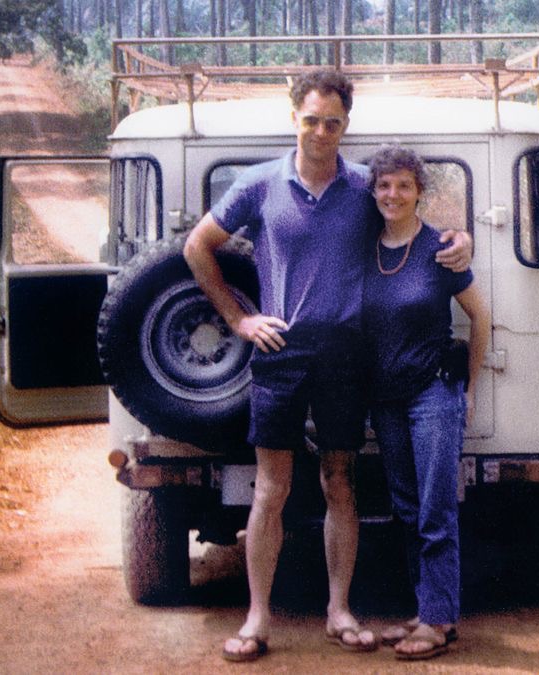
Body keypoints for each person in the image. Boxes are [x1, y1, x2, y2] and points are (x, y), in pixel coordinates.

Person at [183, 70, 472, 663]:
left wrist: (461, 238)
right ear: (294, 117)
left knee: (340, 483)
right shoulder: (259, 184)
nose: (321, 131)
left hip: (346, 358)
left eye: (333, 122)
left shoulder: (366, 186)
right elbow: (197, 247)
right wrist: (239, 320)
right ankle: (258, 618)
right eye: (311, 119)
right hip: (278, 355)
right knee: (271, 490)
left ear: (346, 125)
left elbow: (413, 220)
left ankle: (339, 610)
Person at [363, 146, 491, 660]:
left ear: (419, 191)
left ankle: (438, 621)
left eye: (403, 186)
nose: (392, 195)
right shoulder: (364, 248)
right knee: (407, 508)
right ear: (374, 192)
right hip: (386, 400)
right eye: (384, 186)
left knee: (436, 509)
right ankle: (426, 608)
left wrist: (471, 389)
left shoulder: (441, 249)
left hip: (434, 394)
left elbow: (480, 317)